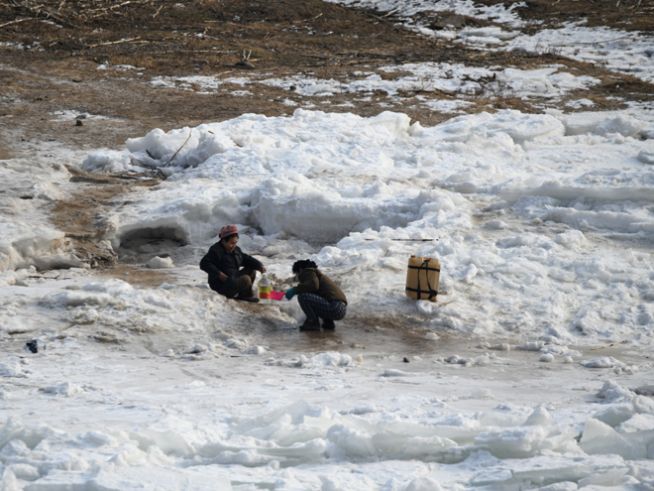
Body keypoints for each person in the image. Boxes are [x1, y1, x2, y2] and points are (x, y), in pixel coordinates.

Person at [200, 224, 265, 302]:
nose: (234, 245)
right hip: (221, 285)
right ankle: (239, 295)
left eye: (235, 243)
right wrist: (219, 274)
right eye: (231, 243)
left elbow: (246, 259)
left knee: (252, 270)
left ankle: (245, 295)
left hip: (232, 278)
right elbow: (204, 263)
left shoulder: (235, 249)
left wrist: (259, 265)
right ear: (224, 241)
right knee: (245, 279)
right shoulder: (215, 250)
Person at [285, 259, 347, 331]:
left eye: (296, 273)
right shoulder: (318, 275)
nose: (297, 277)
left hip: (335, 307)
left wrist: (295, 290)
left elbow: (313, 285)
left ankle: (313, 323)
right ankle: (328, 323)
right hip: (340, 309)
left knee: (303, 297)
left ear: (300, 269)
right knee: (315, 302)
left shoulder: (308, 271)